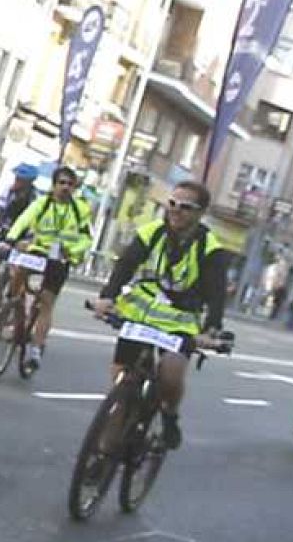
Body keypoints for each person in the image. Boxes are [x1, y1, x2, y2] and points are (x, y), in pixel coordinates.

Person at [90, 181, 232, 451]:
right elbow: (126, 265)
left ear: (200, 213)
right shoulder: (152, 232)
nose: (176, 211)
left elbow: (217, 294)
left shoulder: (211, 249)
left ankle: (169, 415)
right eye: (172, 204)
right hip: (141, 313)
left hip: (180, 320)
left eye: (186, 207)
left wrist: (212, 329)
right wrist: (107, 297)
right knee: (121, 381)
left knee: (170, 374)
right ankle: (104, 452)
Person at [0, 165, 92, 372]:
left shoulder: (81, 210)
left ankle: (36, 349)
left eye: (70, 184)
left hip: (60, 260)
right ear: (54, 185)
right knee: (18, 271)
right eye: (61, 183)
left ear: (74, 187)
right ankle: (14, 306)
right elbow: (24, 220)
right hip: (38, 252)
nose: (65, 187)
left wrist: (72, 251)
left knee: (47, 302)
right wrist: (12, 239)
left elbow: (86, 238)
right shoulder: (42, 203)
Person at [0, 163, 38, 233]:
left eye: (20, 179)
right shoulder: (9, 190)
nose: (16, 181)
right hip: (3, 226)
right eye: (16, 178)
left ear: (28, 182)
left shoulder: (33, 197)